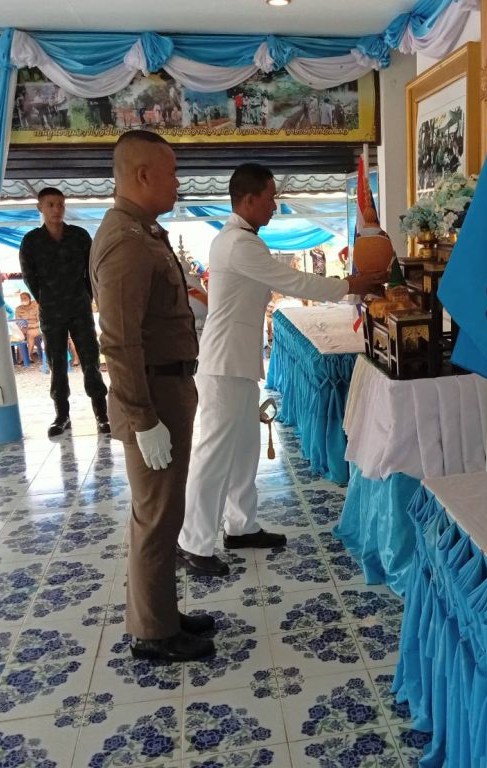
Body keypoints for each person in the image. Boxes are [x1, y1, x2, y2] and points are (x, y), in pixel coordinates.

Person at [175, 163, 386, 577]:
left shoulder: (239, 240)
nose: (274, 206)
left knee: (243, 450)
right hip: (222, 366)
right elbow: (295, 283)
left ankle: (240, 527)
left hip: (236, 363)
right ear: (249, 199)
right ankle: (192, 543)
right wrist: (352, 285)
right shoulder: (239, 244)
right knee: (214, 455)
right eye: (270, 198)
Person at [90, 130, 215, 664]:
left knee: (164, 511)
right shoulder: (126, 241)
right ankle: (153, 634)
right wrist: (143, 419)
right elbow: (119, 342)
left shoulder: (143, 232)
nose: (177, 182)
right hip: (153, 396)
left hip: (166, 388)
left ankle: (161, 613)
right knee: (157, 515)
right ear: (142, 175)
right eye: (171, 172)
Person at [19, 187, 109, 437]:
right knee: (56, 363)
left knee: (91, 361)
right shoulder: (32, 241)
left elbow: (92, 270)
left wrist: (87, 296)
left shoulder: (79, 236)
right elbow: (29, 277)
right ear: (40, 208)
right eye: (50, 205)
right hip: (51, 311)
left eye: (60, 204)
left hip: (80, 308)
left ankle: (102, 415)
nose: (56, 209)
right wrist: (46, 299)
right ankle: (62, 416)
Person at [14, 291, 43, 360]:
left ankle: (27, 357)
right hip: (24, 328)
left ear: (29, 298)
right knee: (19, 336)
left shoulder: (36, 306)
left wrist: (30, 326)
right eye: (21, 298)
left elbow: (40, 320)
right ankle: (21, 359)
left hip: (36, 327)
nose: (23, 299)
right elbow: (18, 322)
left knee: (30, 333)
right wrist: (22, 329)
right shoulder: (18, 309)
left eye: (25, 298)